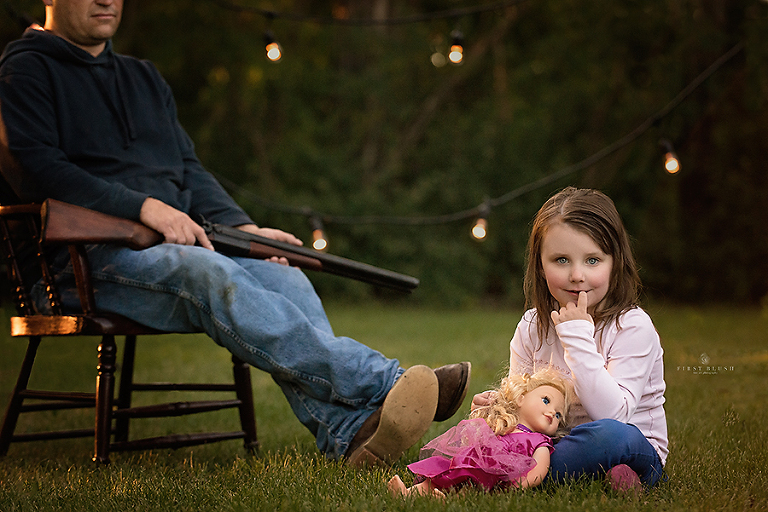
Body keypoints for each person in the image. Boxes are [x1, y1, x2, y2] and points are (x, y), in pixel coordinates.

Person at [0, 0, 471, 466]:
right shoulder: (25, 70)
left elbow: (187, 167)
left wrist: (244, 228)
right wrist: (144, 207)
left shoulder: (143, 77)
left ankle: (347, 433)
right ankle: (384, 381)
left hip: (174, 249)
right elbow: (38, 169)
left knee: (285, 276)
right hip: (80, 265)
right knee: (203, 270)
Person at [472, 187, 668, 492]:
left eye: (592, 260)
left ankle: (513, 476)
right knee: (489, 435)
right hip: (551, 447)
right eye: (561, 260)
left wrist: (577, 337)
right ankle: (542, 472)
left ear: (615, 262)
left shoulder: (632, 326)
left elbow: (614, 415)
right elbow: (525, 409)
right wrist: (498, 409)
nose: (577, 275)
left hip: (630, 445)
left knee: (610, 437)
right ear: (540, 264)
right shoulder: (532, 327)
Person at [387, 368, 570, 497]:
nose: (553, 412)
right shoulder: (505, 423)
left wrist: (515, 487)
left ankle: (445, 499)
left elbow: (538, 471)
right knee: (445, 476)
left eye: (559, 415)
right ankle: (409, 493)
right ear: (521, 398)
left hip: (495, 477)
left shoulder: (540, 442)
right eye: (546, 401)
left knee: (470, 490)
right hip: (471, 464)